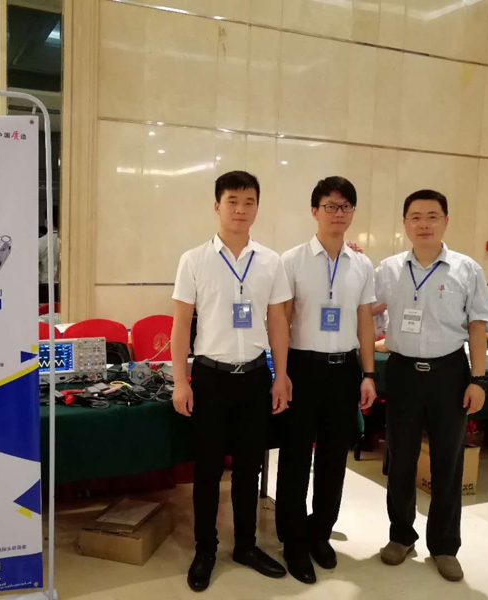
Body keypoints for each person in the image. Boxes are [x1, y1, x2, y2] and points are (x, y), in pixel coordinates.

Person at [170, 171, 292, 592]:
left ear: (257, 207)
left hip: (255, 377)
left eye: (249, 202)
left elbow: (278, 323)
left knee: (248, 468)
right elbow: (181, 325)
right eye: (233, 201)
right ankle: (205, 549)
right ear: (217, 205)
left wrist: (281, 376)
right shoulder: (194, 260)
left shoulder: (271, 261)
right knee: (207, 471)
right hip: (210, 377)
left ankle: (246, 546)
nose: (241, 210)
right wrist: (180, 381)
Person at [374, 190, 488, 582]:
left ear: (445, 220)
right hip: (402, 372)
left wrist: (478, 379)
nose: (423, 224)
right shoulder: (387, 269)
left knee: (448, 462)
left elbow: (477, 327)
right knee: (400, 459)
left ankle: (444, 546)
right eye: (415, 217)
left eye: (432, 216)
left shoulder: (467, 269)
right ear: (404, 223)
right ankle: (400, 536)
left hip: (449, 373)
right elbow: (365, 311)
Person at [275, 176, 377, 584]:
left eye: (345, 207)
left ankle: (320, 532)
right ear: (314, 211)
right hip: (302, 367)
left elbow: (365, 322)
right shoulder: (292, 260)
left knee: (335, 459)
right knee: (296, 457)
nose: (338, 213)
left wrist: (368, 373)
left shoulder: (362, 264)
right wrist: (281, 373)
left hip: (344, 370)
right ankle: (293, 541)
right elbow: (281, 321)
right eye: (331, 206)